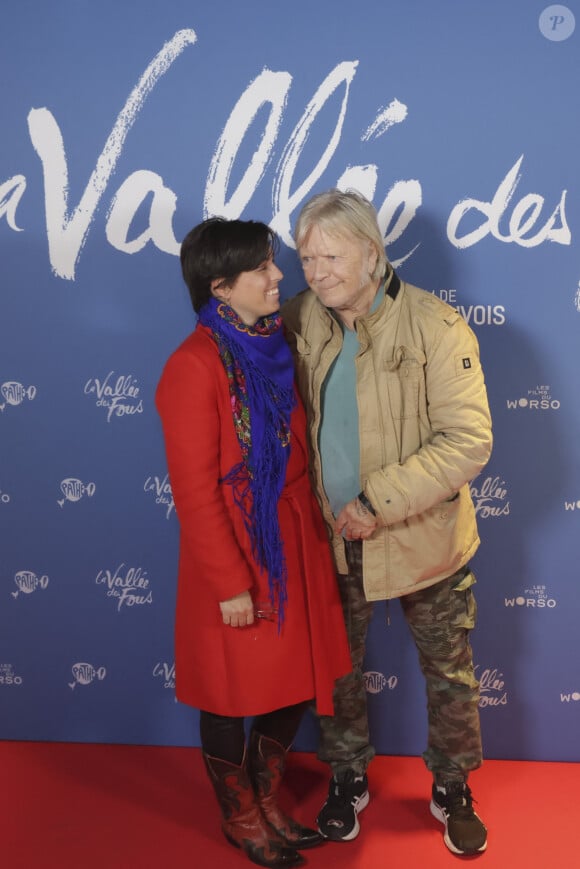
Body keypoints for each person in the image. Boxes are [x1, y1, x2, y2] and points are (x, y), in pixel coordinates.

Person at [282, 189, 493, 857]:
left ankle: (453, 785)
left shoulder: (437, 326)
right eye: (306, 258)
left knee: (449, 667)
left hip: (423, 538)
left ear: (372, 253)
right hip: (333, 542)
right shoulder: (300, 319)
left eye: (331, 257)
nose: (316, 273)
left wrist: (378, 503)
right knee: (337, 672)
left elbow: (467, 440)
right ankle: (346, 776)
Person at [156, 217, 352, 869]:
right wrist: (230, 582)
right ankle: (240, 815)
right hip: (239, 550)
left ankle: (267, 799)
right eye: (264, 268)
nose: (279, 277)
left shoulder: (275, 344)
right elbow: (194, 491)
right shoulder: (191, 366)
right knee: (227, 691)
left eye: (275, 263)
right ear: (221, 288)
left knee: (296, 679)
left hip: (294, 539)